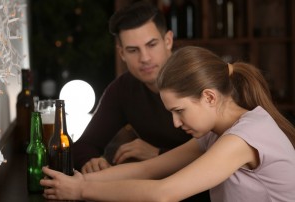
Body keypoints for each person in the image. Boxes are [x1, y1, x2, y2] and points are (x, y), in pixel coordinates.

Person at [41, 46, 295, 201]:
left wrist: (81, 192)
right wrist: (79, 181)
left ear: (209, 97)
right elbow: (148, 170)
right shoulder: (216, 134)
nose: (175, 122)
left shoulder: (242, 138)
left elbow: (164, 193)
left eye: (179, 111)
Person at [73, 2, 190, 172]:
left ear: (168, 41)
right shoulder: (123, 89)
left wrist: (158, 154)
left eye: (151, 45)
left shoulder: (198, 77)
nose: (144, 58)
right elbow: (84, 145)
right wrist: (90, 161)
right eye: (133, 50)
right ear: (122, 53)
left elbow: (218, 153)